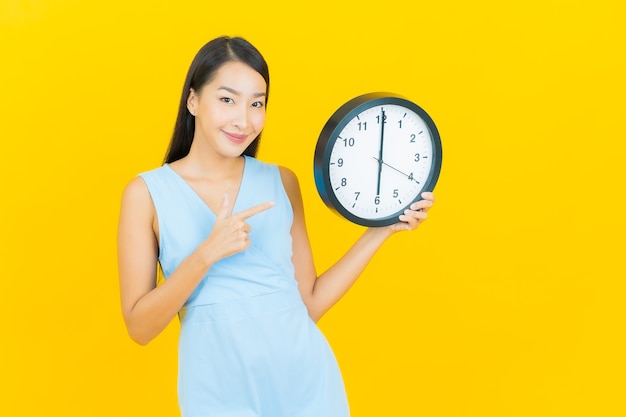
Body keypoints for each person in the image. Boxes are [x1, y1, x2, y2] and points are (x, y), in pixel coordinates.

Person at [117, 36, 435, 417]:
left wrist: (381, 230)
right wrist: (206, 254)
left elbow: (309, 304)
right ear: (193, 100)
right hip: (217, 392)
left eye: (257, 103)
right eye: (227, 99)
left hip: (308, 385)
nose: (244, 119)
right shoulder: (146, 193)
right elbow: (140, 329)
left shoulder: (282, 182)